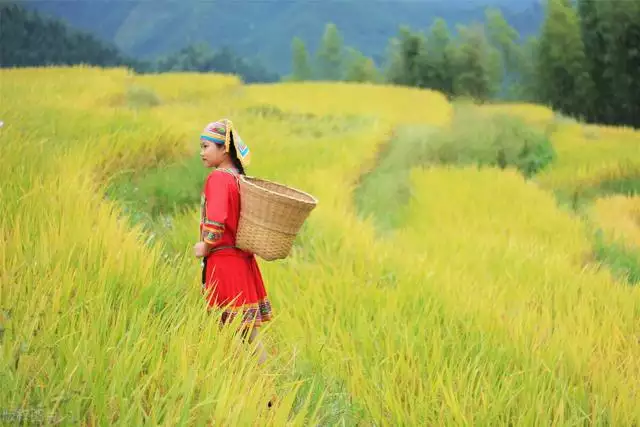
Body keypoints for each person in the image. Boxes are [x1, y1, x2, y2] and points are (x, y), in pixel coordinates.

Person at [193, 118, 271, 365]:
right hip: (243, 262)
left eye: (206, 146)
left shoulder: (218, 178)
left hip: (225, 264)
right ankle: (269, 393)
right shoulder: (239, 178)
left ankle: (244, 390)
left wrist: (204, 246)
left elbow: (215, 224)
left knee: (227, 334)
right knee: (250, 335)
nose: (202, 153)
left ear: (223, 149)